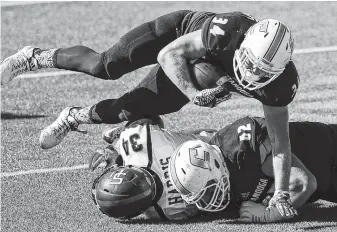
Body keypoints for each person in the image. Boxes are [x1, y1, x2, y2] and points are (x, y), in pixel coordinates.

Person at [1, 11, 299, 216]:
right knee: (105, 66)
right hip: (179, 35)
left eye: (262, 71)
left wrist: (282, 193)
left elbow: (280, 142)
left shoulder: (281, 86)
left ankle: (74, 116)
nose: (251, 72)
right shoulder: (226, 32)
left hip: (204, 75)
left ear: (280, 69)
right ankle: (33, 57)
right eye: (250, 62)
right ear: (245, 45)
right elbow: (169, 54)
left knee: (129, 109)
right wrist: (194, 94)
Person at [169, 116, 337, 223]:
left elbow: (302, 183)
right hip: (328, 185)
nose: (207, 201)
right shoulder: (216, 168)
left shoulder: (245, 150)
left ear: (217, 168)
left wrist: (271, 214)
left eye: (208, 192)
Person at [90, 116, 216, 220]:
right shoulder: (172, 211)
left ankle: (120, 136)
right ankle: (120, 136)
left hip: (200, 144)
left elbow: (144, 119)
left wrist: (114, 149)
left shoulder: (169, 212)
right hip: (206, 154)